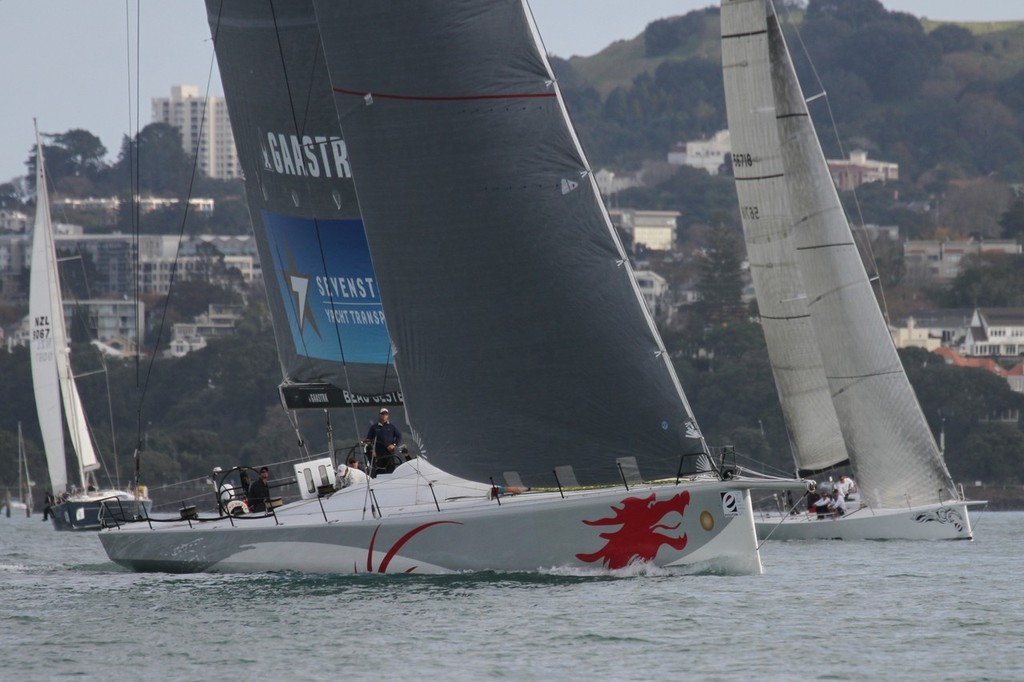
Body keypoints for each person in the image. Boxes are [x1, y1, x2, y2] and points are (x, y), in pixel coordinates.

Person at [365, 408, 402, 476]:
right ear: (379, 415)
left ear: (388, 416)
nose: (384, 416)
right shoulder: (374, 427)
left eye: (385, 414)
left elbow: (399, 436)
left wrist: (394, 445)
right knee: (379, 470)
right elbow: (368, 439)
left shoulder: (392, 426)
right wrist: (372, 449)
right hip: (379, 453)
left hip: (389, 452)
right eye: (382, 414)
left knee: (390, 469)